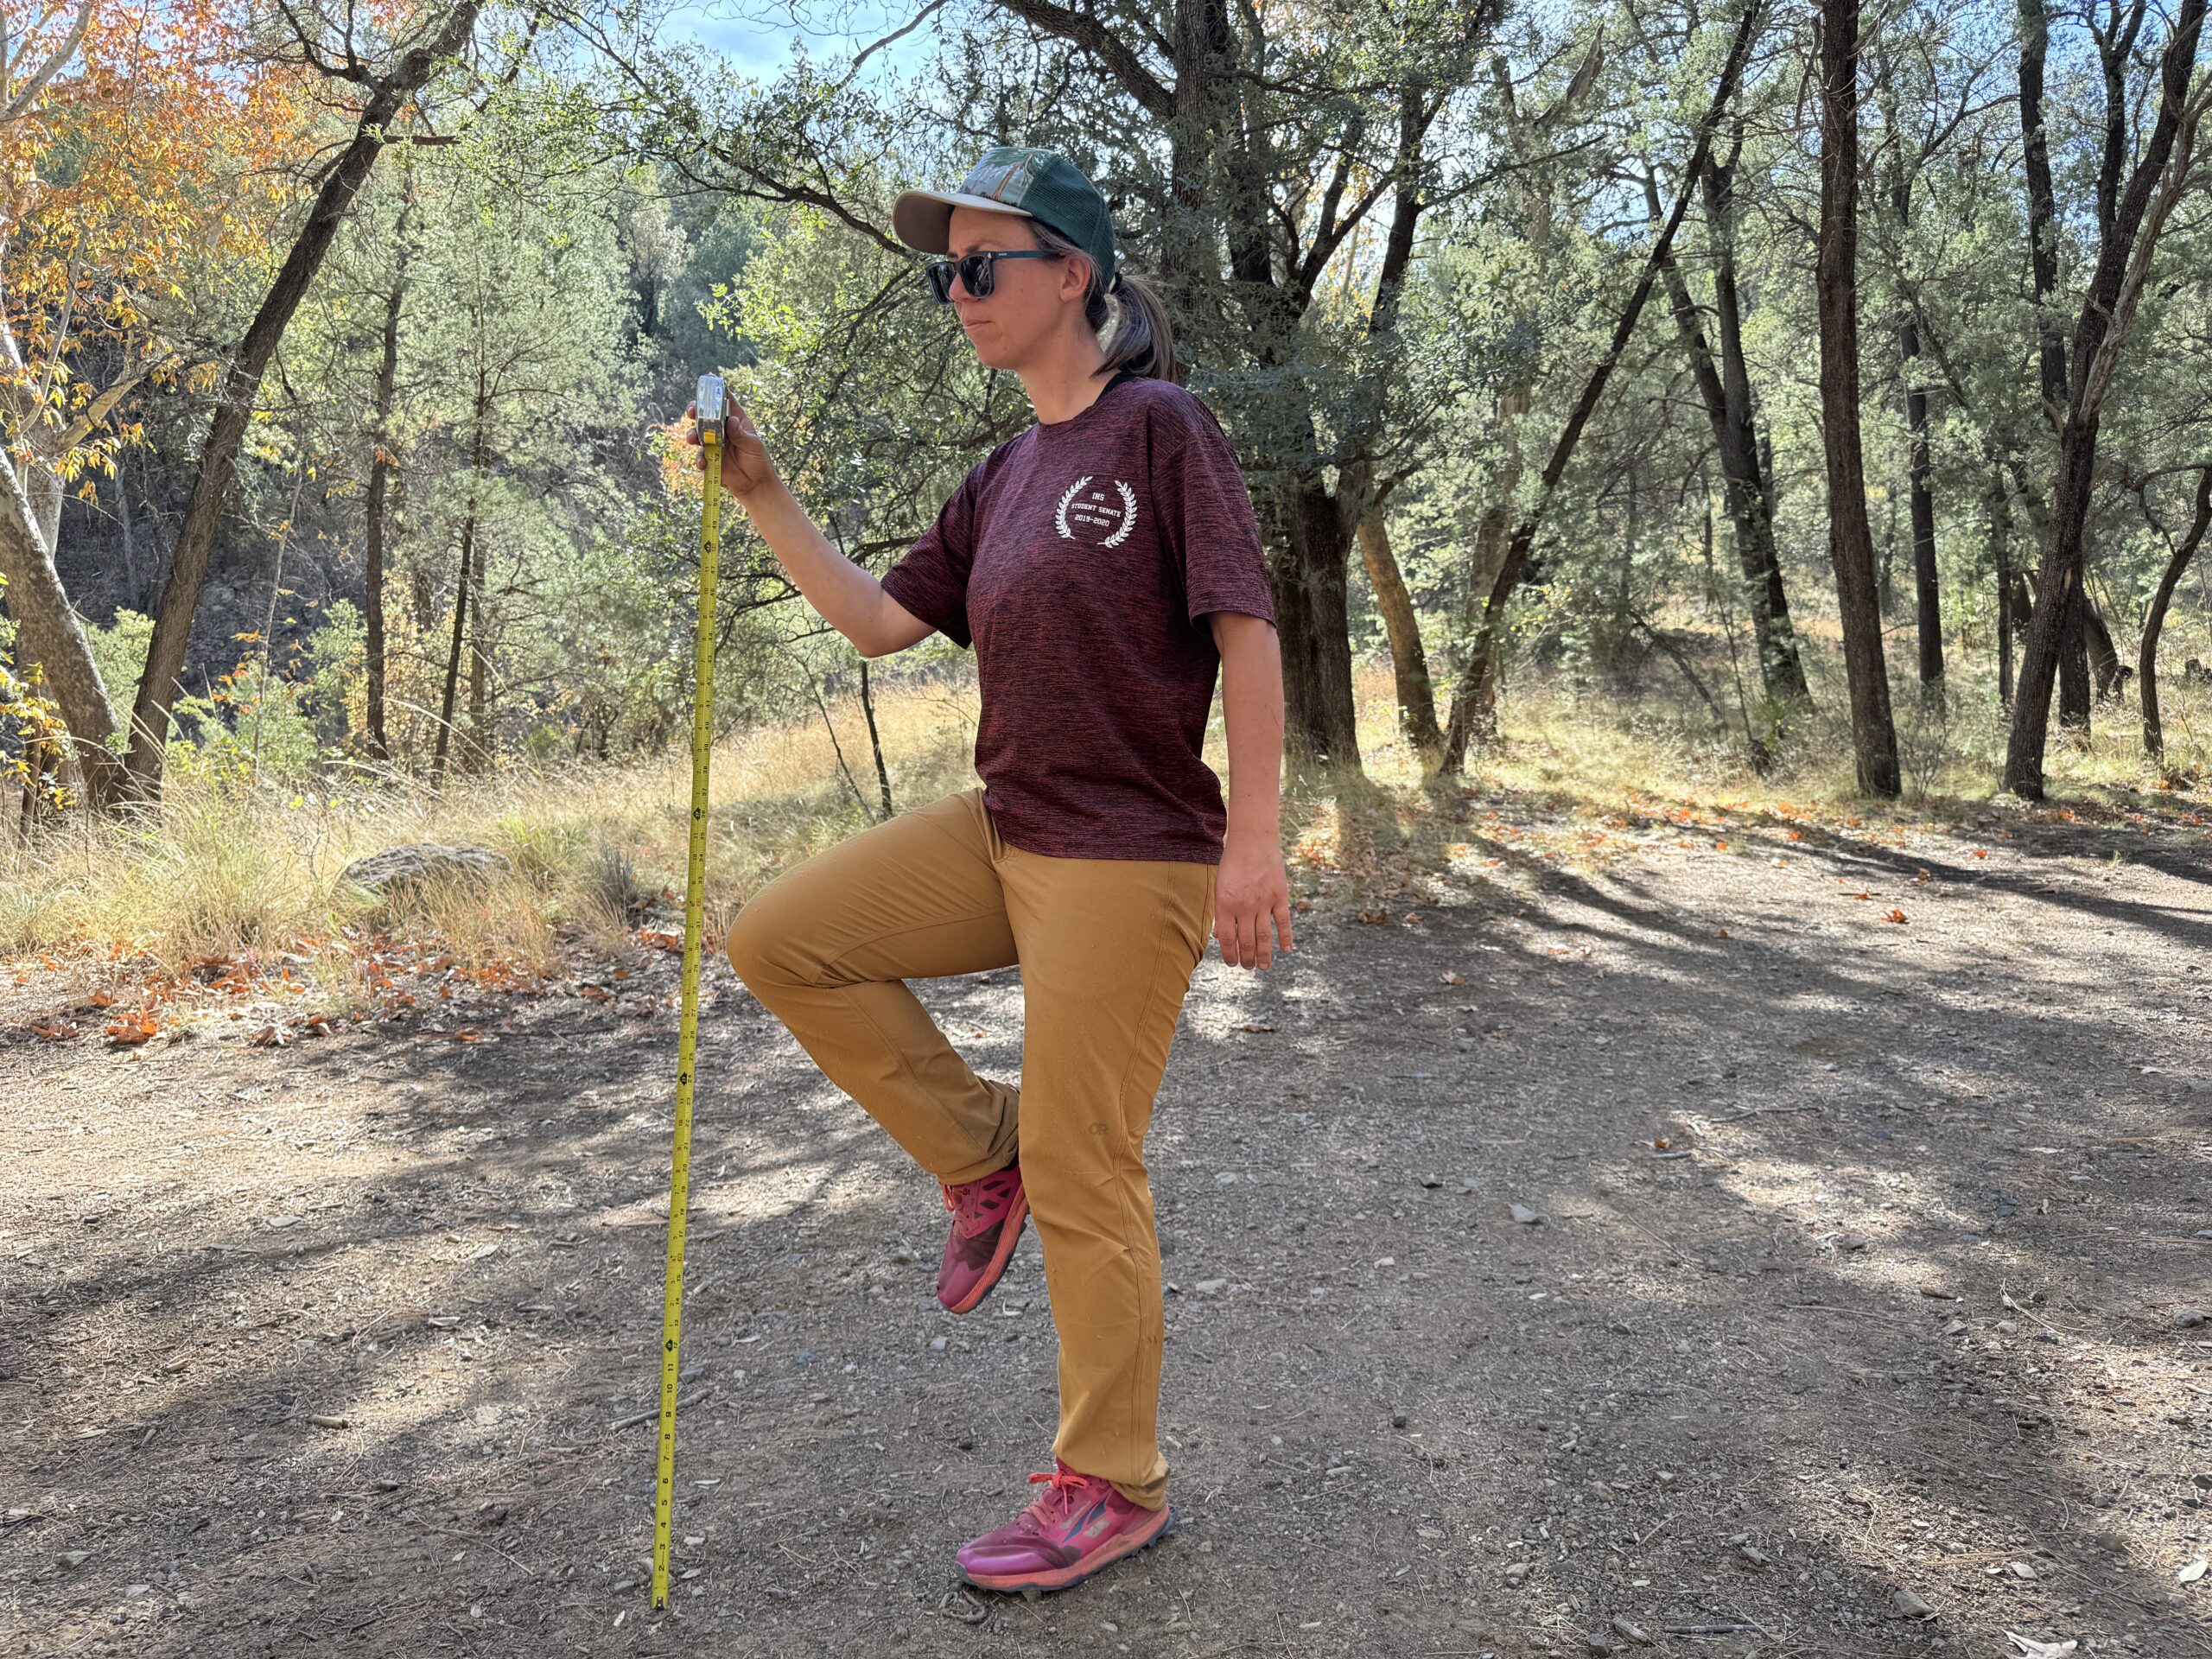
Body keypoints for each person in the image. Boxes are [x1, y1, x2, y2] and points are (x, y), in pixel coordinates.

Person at [690, 144, 1292, 1597]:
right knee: (779, 936)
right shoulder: (1005, 471)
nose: (955, 291)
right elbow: (886, 626)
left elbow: (1248, 629)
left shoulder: (1160, 428)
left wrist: (1257, 843)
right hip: (1006, 828)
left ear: (1072, 275)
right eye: (943, 271)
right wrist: (762, 493)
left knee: (1096, 1168)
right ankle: (981, 1150)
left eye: (981, 267)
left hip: (1130, 851)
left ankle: (1114, 1483)